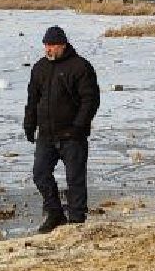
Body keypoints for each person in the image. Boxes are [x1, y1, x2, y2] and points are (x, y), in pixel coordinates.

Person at [23, 24, 100, 234]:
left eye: (52, 45)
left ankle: (76, 221)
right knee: (40, 174)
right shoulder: (40, 68)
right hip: (46, 135)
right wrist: (29, 124)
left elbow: (90, 100)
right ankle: (55, 213)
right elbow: (32, 100)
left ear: (63, 45)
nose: (48, 49)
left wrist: (79, 126)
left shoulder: (80, 67)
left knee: (75, 179)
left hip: (72, 135)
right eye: (46, 45)